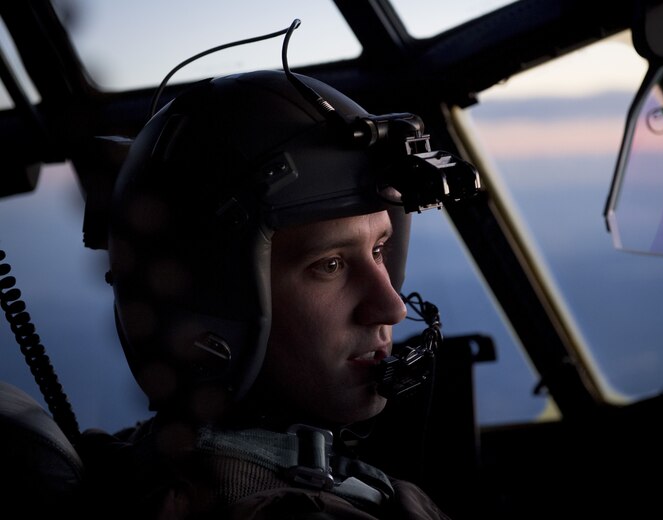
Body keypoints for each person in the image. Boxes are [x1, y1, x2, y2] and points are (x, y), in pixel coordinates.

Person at [75, 53, 479, 519]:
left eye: (379, 250)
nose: (390, 307)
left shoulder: (138, 464)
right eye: (330, 264)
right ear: (208, 305)